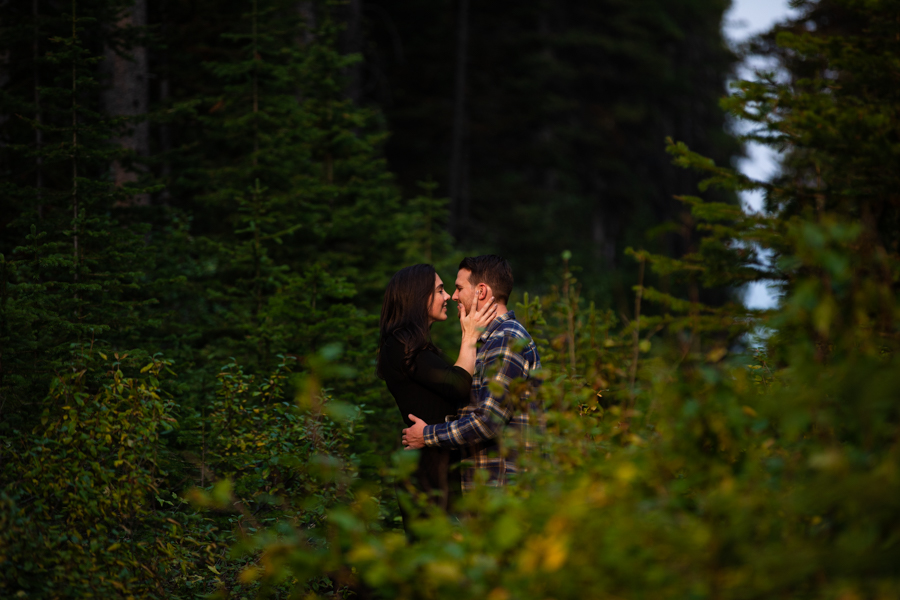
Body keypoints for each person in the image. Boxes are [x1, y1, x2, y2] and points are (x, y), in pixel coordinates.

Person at [401, 255, 542, 491]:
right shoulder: (491, 341)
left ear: (481, 292)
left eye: (458, 288)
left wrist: (427, 434)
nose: (453, 296)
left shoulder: (506, 340)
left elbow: (488, 420)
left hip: (506, 492)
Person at [377, 264, 498, 517]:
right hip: (426, 474)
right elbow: (458, 385)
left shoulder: (416, 347)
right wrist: (469, 336)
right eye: (440, 290)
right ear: (419, 297)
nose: (447, 298)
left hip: (439, 464)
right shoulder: (400, 344)